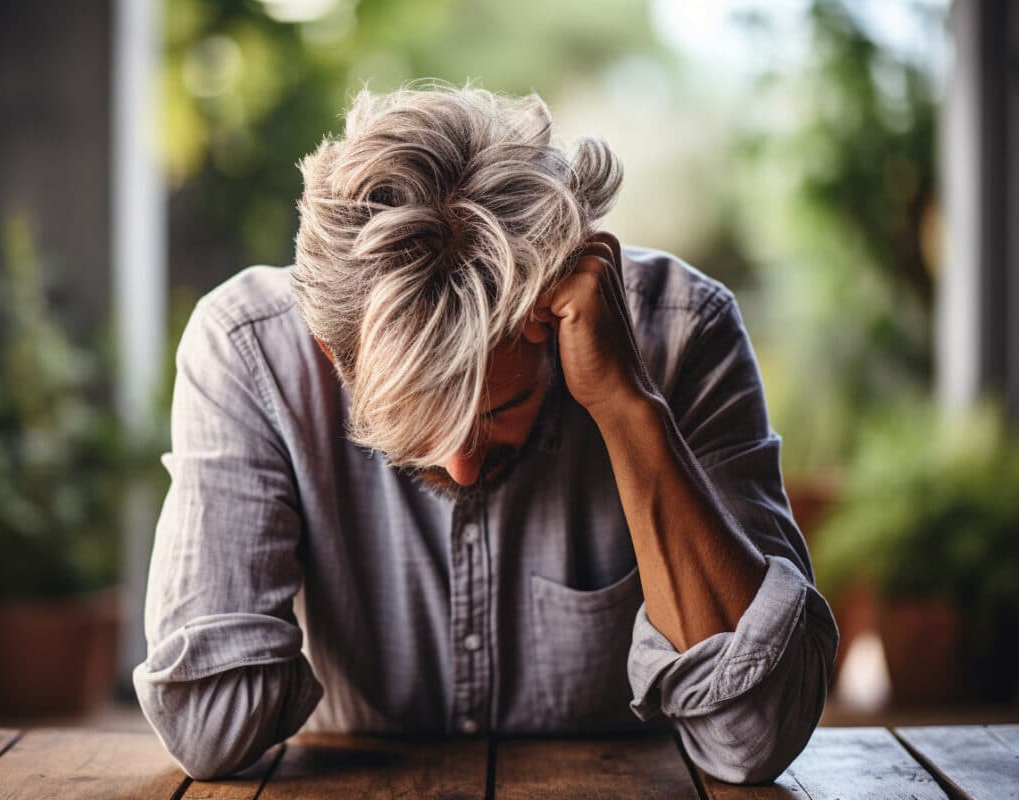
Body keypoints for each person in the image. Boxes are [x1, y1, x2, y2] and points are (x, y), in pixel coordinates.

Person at [133, 81, 838, 784]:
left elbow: (756, 737)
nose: (462, 467)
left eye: (502, 406)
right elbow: (208, 728)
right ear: (330, 353)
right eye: (418, 420)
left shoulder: (686, 333)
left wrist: (629, 406)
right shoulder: (252, 351)